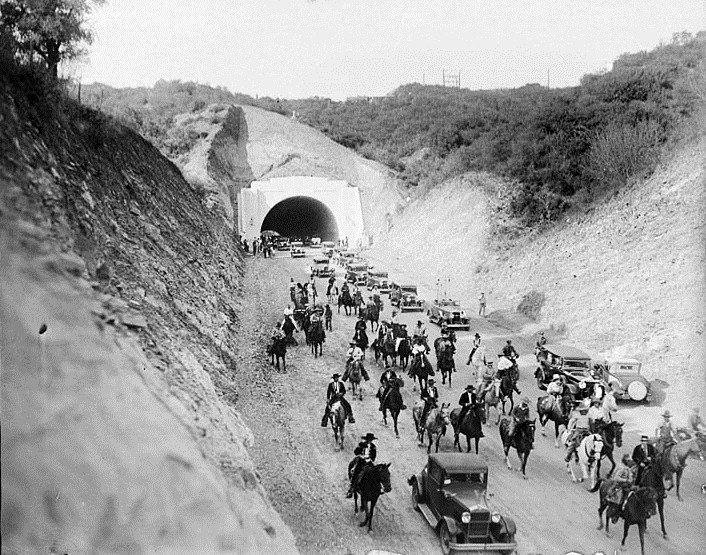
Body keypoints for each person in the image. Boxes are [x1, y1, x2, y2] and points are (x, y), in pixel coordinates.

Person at [347, 433, 377, 498]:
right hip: (361, 460)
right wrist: (361, 451)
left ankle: (378, 487)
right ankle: (351, 488)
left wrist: (371, 457)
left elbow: (374, 456)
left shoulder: (373, 446)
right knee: (356, 472)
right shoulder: (361, 444)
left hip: (369, 461)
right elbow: (356, 452)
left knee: (375, 473)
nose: (370, 441)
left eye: (371, 440)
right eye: (369, 439)